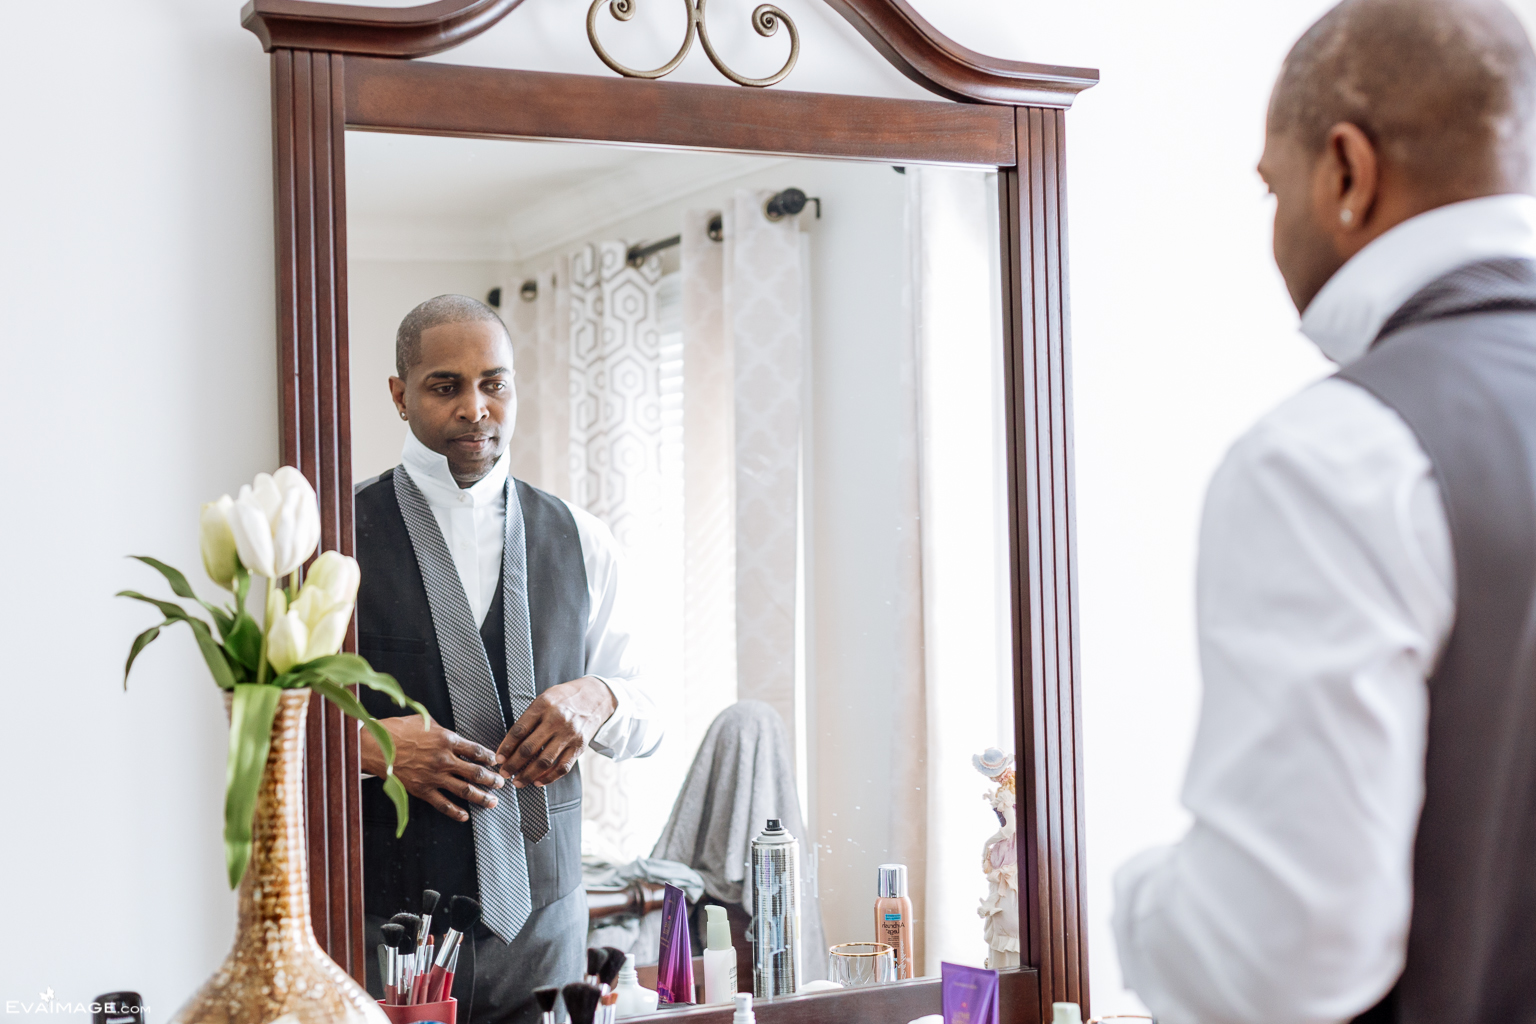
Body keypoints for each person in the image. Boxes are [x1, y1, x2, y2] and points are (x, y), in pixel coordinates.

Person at [1111, 2, 1536, 1023]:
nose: (1274, 227)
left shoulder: (1332, 459)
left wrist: (1136, 899)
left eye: (1271, 184)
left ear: (1346, 173)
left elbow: (1283, 958)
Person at [354, 294, 663, 1024]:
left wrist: (602, 699)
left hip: (548, 926)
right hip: (391, 931)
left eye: (494, 382)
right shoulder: (338, 535)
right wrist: (367, 746)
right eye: (445, 385)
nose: (475, 406)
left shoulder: (583, 539)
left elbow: (652, 714)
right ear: (400, 396)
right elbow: (264, 724)